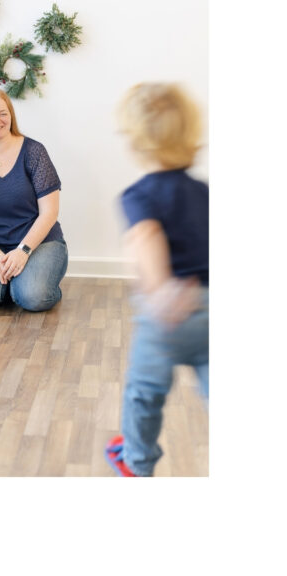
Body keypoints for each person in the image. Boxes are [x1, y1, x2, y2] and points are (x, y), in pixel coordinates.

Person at [105, 82, 209, 477]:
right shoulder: (203, 191)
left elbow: (147, 235)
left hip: (164, 318)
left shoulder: (139, 195)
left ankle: (137, 461)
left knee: (144, 394)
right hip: (208, 306)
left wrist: (162, 287)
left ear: (136, 141)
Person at [0, 88, 68, 313]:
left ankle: (25, 285)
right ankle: (13, 284)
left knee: (33, 297)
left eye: (2, 113)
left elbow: (49, 212)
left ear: (11, 116)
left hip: (38, 242)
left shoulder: (34, 151)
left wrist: (23, 251)